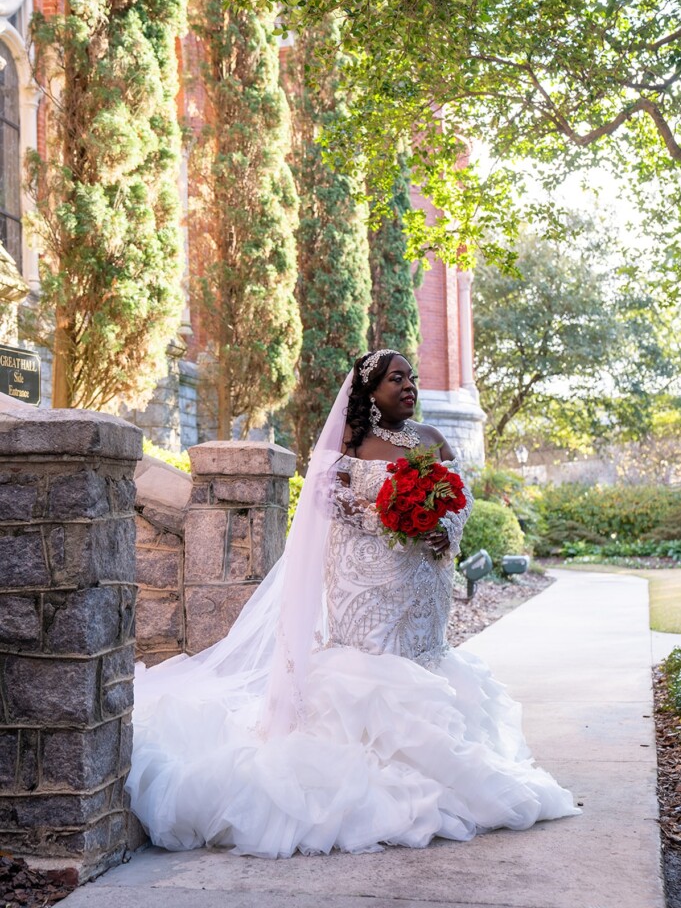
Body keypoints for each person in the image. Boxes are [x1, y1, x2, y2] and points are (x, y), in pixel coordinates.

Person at [127, 350, 579, 857]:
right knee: (368, 661)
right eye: (396, 378)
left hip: (422, 579)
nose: (409, 386)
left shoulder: (431, 439)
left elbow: (461, 494)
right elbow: (327, 496)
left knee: (422, 656)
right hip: (362, 577)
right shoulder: (351, 442)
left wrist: (443, 528)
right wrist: (392, 517)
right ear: (370, 391)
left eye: (412, 377)